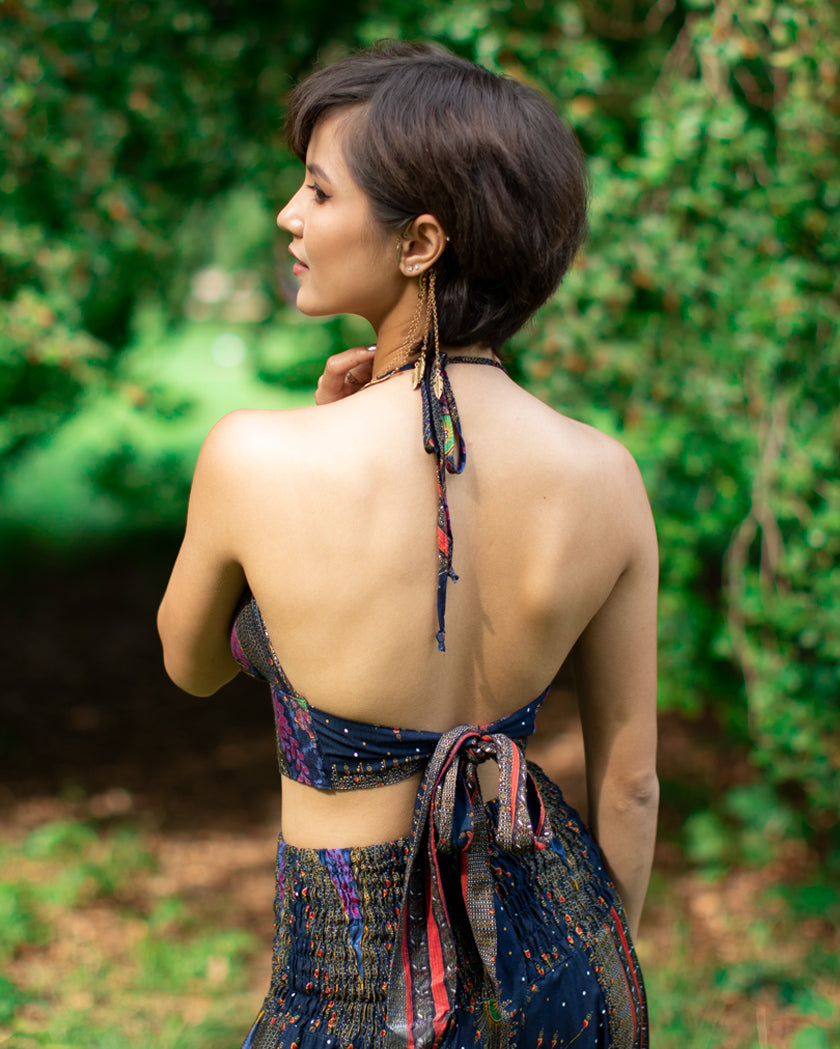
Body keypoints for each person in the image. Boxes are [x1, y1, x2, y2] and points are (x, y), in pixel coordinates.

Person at [158, 40, 658, 1049]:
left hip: (346, 999)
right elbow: (633, 779)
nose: (289, 217)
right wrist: (596, 974)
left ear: (420, 240)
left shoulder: (256, 459)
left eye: (317, 190)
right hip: (557, 967)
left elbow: (192, 662)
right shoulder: (608, 475)